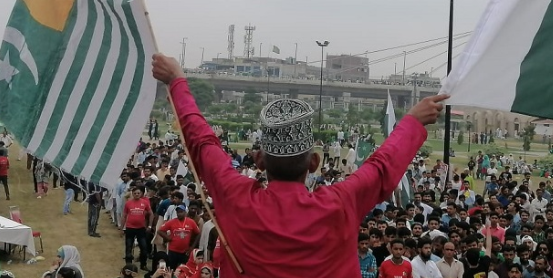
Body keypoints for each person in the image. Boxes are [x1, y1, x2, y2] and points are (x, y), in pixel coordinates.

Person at [151, 53, 446, 278]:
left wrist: (177, 80)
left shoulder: (236, 196)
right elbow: (382, 167)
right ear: (315, 163)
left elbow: (203, 143)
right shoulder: (340, 202)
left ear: (259, 161)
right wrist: (412, 121)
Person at [157, 204, 200, 270]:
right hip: (173, 251)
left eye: (181, 212)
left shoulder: (191, 222)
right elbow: (160, 231)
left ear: (185, 212)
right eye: (178, 212)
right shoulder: (172, 222)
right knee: (171, 269)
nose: (179, 214)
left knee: (183, 270)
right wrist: (167, 238)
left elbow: (198, 233)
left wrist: (192, 247)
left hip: (185, 252)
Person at [121, 187, 153, 270]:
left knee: (144, 247)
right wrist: (121, 228)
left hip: (141, 228)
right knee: (128, 247)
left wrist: (149, 226)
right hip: (130, 228)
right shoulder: (128, 203)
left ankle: (143, 265)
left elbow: (151, 214)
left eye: (138, 193)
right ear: (132, 193)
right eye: (135, 193)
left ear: (141, 194)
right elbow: (124, 216)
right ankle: (128, 266)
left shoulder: (145, 203)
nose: (136, 195)